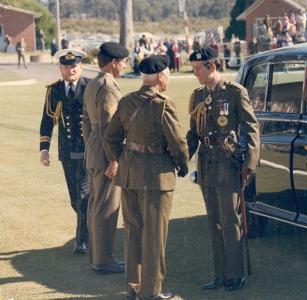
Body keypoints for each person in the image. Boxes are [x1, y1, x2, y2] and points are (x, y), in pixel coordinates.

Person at [105, 55, 189, 300]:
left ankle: (133, 286)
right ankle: (152, 291)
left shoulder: (127, 101)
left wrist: (121, 158)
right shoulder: (163, 104)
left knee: (133, 231)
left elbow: (111, 137)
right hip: (156, 177)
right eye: (168, 76)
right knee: (154, 235)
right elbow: (178, 142)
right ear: (161, 77)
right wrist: (182, 167)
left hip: (129, 175)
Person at [186, 47, 260, 292]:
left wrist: (249, 165)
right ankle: (219, 275)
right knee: (214, 223)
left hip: (228, 166)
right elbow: (193, 133)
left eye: (199, 69)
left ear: (212, 66)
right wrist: (180, 158)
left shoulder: (234, 92)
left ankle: (235, 275)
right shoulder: (197, 95)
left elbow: (251, 129)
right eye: (194, 69)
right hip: (206, 166)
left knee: (230, 221)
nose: (195, 73)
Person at [82, 42, 129, 274]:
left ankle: (96, 257)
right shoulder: (108, 87)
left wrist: (91, 147)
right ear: (113, 63)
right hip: (105, 156)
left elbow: (86, 124)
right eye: (123, 62)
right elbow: (108, 126)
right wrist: (113, 159)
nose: (124, 66)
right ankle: (103, 261)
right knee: (106, 208)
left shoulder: (92, 83)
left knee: (95, 206)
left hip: (93, 152)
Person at [39, 49, 91, 254]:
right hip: (67, 151)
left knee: (84, 194)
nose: (71, 69)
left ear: (82, 67)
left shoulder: (91, 87)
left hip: (88, 151)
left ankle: (81, 241)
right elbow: (46, 120)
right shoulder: (54, 90)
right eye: (67, 66)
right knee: (75, 199)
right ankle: (89, 231)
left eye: (75, 65)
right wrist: (44, 149)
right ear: (60, 68)